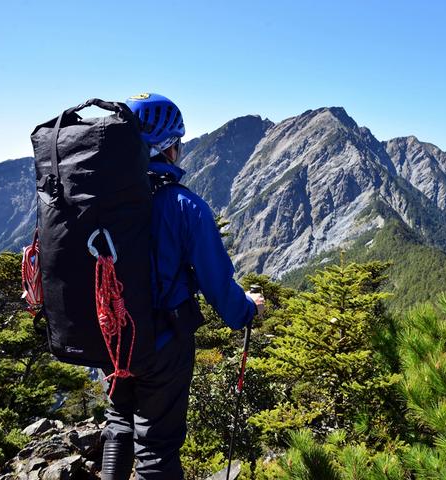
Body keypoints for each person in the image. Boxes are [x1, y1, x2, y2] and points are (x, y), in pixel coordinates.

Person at [100, 92, 265, 480]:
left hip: (111, 337)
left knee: (119, 422)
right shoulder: (184, 206)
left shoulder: (99, 199)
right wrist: (246, 309)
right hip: (162, 342)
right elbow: (217, 283)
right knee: (157, 448)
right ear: (168, 148)